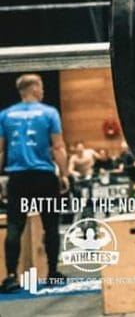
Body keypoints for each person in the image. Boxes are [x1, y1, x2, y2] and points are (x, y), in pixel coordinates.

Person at [0, 75, 70, 291]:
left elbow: (0, 150)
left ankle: (11, 276)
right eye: (41, 87)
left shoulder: (5, 115)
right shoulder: (49, 113)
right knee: (51, 226)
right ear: (34, 88)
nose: (43, 91)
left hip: (18, 178)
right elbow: (58, 147)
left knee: (14, 226)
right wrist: (64, 174)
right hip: (43, 177)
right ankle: (53, 273)